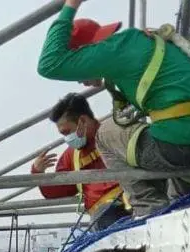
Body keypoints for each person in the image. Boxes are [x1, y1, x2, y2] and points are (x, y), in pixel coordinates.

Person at [37, 0, 190, 217]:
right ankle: (184, 206)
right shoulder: (149, 46)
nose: (79, 79)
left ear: (87, 51)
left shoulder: (112, 51)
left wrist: (71, 5)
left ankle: (148, 209)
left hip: (179, 150)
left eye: (78, 67)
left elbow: (49, 63)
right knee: (168, 138)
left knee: (105, 133)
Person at [32, 93, 131, 230]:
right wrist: (38, 172)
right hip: (103, 217)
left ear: (83, 120)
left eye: (67, 132)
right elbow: (57, 190)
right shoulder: (71, 156)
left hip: (131, 202)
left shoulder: (114, 133)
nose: (67, 138)